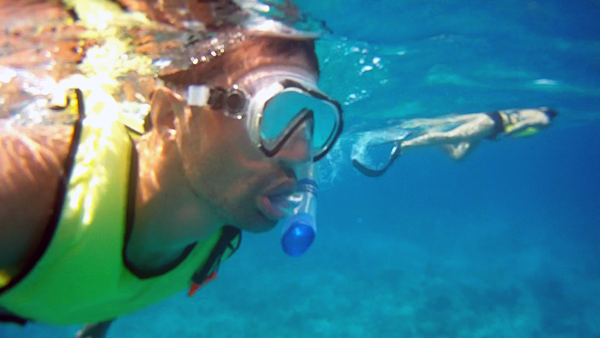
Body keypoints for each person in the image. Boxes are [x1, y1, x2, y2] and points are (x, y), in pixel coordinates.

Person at [0, 1, 343, 337]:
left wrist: (98, 321)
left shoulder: (224, 216)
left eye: (312, 121)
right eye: (272, 115)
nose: (300, 152)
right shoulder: (40, 185)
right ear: (169, 118)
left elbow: (115, 263)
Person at [351, 107, 558, 177]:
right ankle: (403, 146)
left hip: (489, 128)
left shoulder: (534, 111)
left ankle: (427, 132)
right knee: (452, 137)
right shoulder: (544, 118)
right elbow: (524, 126)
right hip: (492, 124)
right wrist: (511, 132)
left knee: (458, 156)